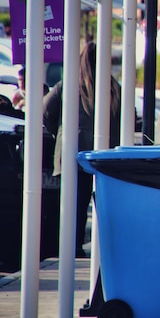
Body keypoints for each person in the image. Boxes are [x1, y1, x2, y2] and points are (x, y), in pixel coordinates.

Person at [43, 42, 121, 257]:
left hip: (71, 153)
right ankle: (94, 246)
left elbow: (45, 111)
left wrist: (59, 133)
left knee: (70, 204)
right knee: (95, 203)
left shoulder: (67, 86)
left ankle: (70, 245)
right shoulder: (113, 88)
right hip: (102, 157)